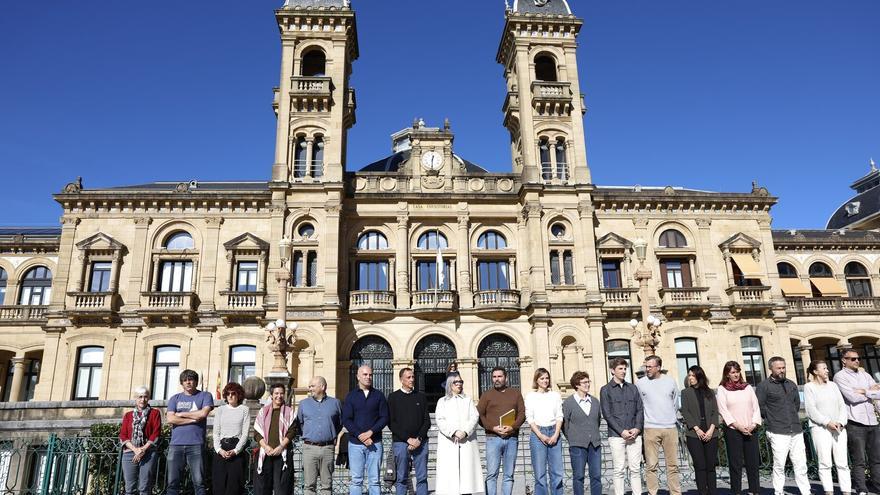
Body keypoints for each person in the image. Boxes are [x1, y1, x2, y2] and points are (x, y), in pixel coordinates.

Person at [756, 356, 810, 495]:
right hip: (777, 430)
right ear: (770, 369)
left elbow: (796, 405)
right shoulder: (764, 386)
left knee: (800, 464)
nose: (782, 370)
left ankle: (806, 491)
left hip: (795, 429)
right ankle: (778, 491)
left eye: (783, 367)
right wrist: (771, 420)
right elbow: (760, 407)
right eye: (778, 368)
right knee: (779, 464)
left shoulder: (791, 384)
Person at [833, 348, 880, 495]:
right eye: (852, 359)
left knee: (877, 458)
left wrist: (863, 391)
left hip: (872, 420)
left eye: (858, 358)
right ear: (844, 360)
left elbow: (878, 394)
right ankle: (862, 489)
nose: (857, 361)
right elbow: (851, 397)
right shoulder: (840, 377)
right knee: (859, 459)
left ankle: (878, 486)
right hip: (855, 422)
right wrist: (870, 392)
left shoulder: (865, 374)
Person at [636, 355, 681, 495]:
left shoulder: (671, 382)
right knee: (651, 466)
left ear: (659, 367)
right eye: (646, 366)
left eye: (650, 366)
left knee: (672, 465)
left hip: (670, 428)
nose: (647, 369)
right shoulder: (640, 383)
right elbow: (639, 405)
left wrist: (669, 417)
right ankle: (652, 492)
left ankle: (675, 492)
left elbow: (675, 403)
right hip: (650, 428)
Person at [477, 366, 525, 495]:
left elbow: (522, 414)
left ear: (506, 378)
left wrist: (513, 427)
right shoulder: (486, 395)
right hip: (493, 438)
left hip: (511, 438)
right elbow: (479, 415)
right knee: (492, 474)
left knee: (508, 474)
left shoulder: (516, 394)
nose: (497, 379)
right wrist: (492, 427)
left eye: (499, 376)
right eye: (494, 377)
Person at [342, 365, 390, 495]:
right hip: (355, 445)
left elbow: (384, 417)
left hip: (375, 443)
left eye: (370, 375)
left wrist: (370, 432)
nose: (368, 377)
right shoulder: (350, 396)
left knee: (374, 480)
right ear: (358, 377)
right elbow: (346, 419)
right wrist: (359, 435)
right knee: (356, 480)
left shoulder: (379, 395)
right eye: (365, 374)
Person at [805, 360, 850, 495]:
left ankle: (846, 491)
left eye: (827, 368)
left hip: (839, 428)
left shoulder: (833, 385)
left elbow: (842, 406)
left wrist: (841, 422)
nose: (827, 371)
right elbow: (811, 410)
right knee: (825, 463)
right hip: (820, 429)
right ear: (815, 371)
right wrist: (827, 422)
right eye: (824, 368)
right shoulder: (809, 387)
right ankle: (829, 491)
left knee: (842, 462)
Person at [716, 361, 761, 495]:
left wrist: (753, 424)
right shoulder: (722, 389)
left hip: (751, 429)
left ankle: (755, 490)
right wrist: (738, 426)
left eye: (737, 371)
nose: (736, 375)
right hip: (733, 430)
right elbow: (723, 411)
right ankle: (736, 491)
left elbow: (756, 407)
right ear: (727, 374)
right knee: (735, 463)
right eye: (732, 372)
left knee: (752, 463)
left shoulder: (747, 387)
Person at [166, 369, 214, 495]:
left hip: (196, 444)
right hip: (176, 445)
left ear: (196, 382)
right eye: (185, 380)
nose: (188, 382)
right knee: (172, 483)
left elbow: (203, 414)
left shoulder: (205, 396)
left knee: (199, 483)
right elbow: (170, 418)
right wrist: (193, 419)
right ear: (182, 383)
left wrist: (181, 414)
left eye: (191, 379)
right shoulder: (174, 398)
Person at [600, 358, 644, 495]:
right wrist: (621, 431)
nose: (624, 371)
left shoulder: (633, 388)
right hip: (616, 436)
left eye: (625, 368)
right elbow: (607, 414)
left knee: (635, 469)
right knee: (619, 469)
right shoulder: (605, 390)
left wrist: (637, 428)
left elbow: (640, 410)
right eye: (620, 368)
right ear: (612, 370)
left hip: (635, 434)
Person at [435, 375, 484, 495]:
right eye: (456, 382)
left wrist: (465, 432)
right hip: (449, 442)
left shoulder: (468, 400)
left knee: (467, 479)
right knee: (450, 481)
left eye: (461, 381)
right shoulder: (442, 401)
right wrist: (453, 432)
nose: (459, 384)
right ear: (450, 384)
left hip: (466, 441)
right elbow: (440, 420)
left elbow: (474, 416)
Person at [388, 367, 431, 495]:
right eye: (408, 377)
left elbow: (426, 421)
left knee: (422, 478)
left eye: (413, 377)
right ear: (401, 379)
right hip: (401, 442)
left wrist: (418, 439)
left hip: (421, 443)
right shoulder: (393, 397)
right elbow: (391, 422)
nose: (412, 380)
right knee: (401, 478)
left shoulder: (421, 397)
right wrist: (408, 439)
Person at [297, 376, 343, 495]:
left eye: (312, 386)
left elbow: (339, 423)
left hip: (328, 449)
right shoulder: (303, 404)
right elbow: (300, 423)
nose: (310, 388)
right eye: (310, 386)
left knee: (326, 485)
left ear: (322, 387)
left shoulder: (335, 403)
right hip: (309, 448)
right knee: (309, 485)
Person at [680, 366, 720, 495]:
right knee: (700, 465)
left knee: (710, 466)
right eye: (689, 375)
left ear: (699, 376)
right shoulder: (685, 393)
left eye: (692, 375)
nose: (690, 378)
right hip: (694, 434)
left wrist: (711, 429)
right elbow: (685, 411)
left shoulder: (710, 392)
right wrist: (696, 428)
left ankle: (713, 492)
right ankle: (702, 492)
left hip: (711, 433)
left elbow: (715, 411)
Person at [562, 371, 602, 495]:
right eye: (584, 382)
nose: (587, 384)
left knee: (596, 476)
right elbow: (565, 424)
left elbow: (597, 420)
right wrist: (573, 438)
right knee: (578, 476)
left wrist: (591, 434)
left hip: (595, 444)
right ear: (577, 385)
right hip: (577, 445)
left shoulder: (595, 401)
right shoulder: (568, 403)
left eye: (588, 381)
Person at [525, 368, 563, 495]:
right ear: (536, 380)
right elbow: (530, 418)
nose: (545, 380)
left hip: (554, 431)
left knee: (557, 473)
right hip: (538, 434)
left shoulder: (555, 395)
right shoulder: (531, 396)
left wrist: (556, 434)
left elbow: (559, 416)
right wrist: (541, 435)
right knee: (540, 474)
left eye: (547, 378)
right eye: (542, 378)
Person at [254, 383, 296, 495]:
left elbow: (292, 432)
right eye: (276, 393)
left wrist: (281, 446)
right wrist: (266, 447)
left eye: (282, 393)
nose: (279, 396)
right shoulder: (263, 411)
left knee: (282, 489)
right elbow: (257, 433)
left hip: (282, 455)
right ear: (271, 395)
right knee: (263, 489)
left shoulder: (289, 412)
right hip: (265, 454)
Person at [118, 386, 161, 495]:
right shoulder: (128, 415)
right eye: (140, 397)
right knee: (129, 488)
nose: (143, 399)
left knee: (144, 488)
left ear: (149, 398)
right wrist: (135, 449)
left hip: (148, 453)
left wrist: (142, 449)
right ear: (135, 399)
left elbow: (156, 433)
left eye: (145, 397)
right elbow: (123, 435)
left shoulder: (155, 413)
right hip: (129, 453)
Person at [212, 382, 250, 495]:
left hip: (236, 449)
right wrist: (219, 450)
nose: (230, 396)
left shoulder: (244, 409)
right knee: (219, 486)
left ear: (238, 395)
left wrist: (236, 450)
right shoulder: (220, 410)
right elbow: (215, 433)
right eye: (228, 394)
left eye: (233, 393)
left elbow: (245, 434)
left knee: (234, 486)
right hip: (221, 449)